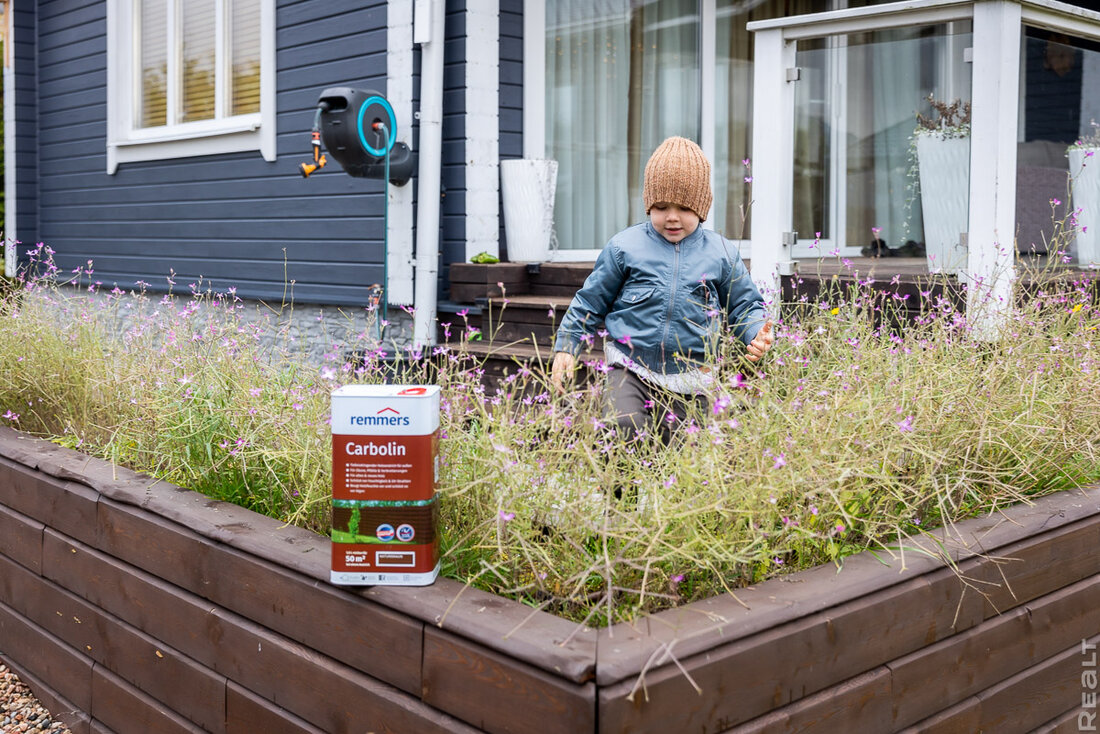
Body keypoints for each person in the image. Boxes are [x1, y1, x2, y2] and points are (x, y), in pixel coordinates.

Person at [550, 136, 774, 442]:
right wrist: (567, 345)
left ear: (702, 208)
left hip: (691, 379)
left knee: (681, 457)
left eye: (683, 207)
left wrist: (755, 331)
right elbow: (589, 302)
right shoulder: (624, 247)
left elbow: (744, 305)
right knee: (623, 426)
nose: (671, 216)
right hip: (630, 368)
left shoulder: (721, 254)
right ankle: (620, 489)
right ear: (648, 204)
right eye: (661, 206)